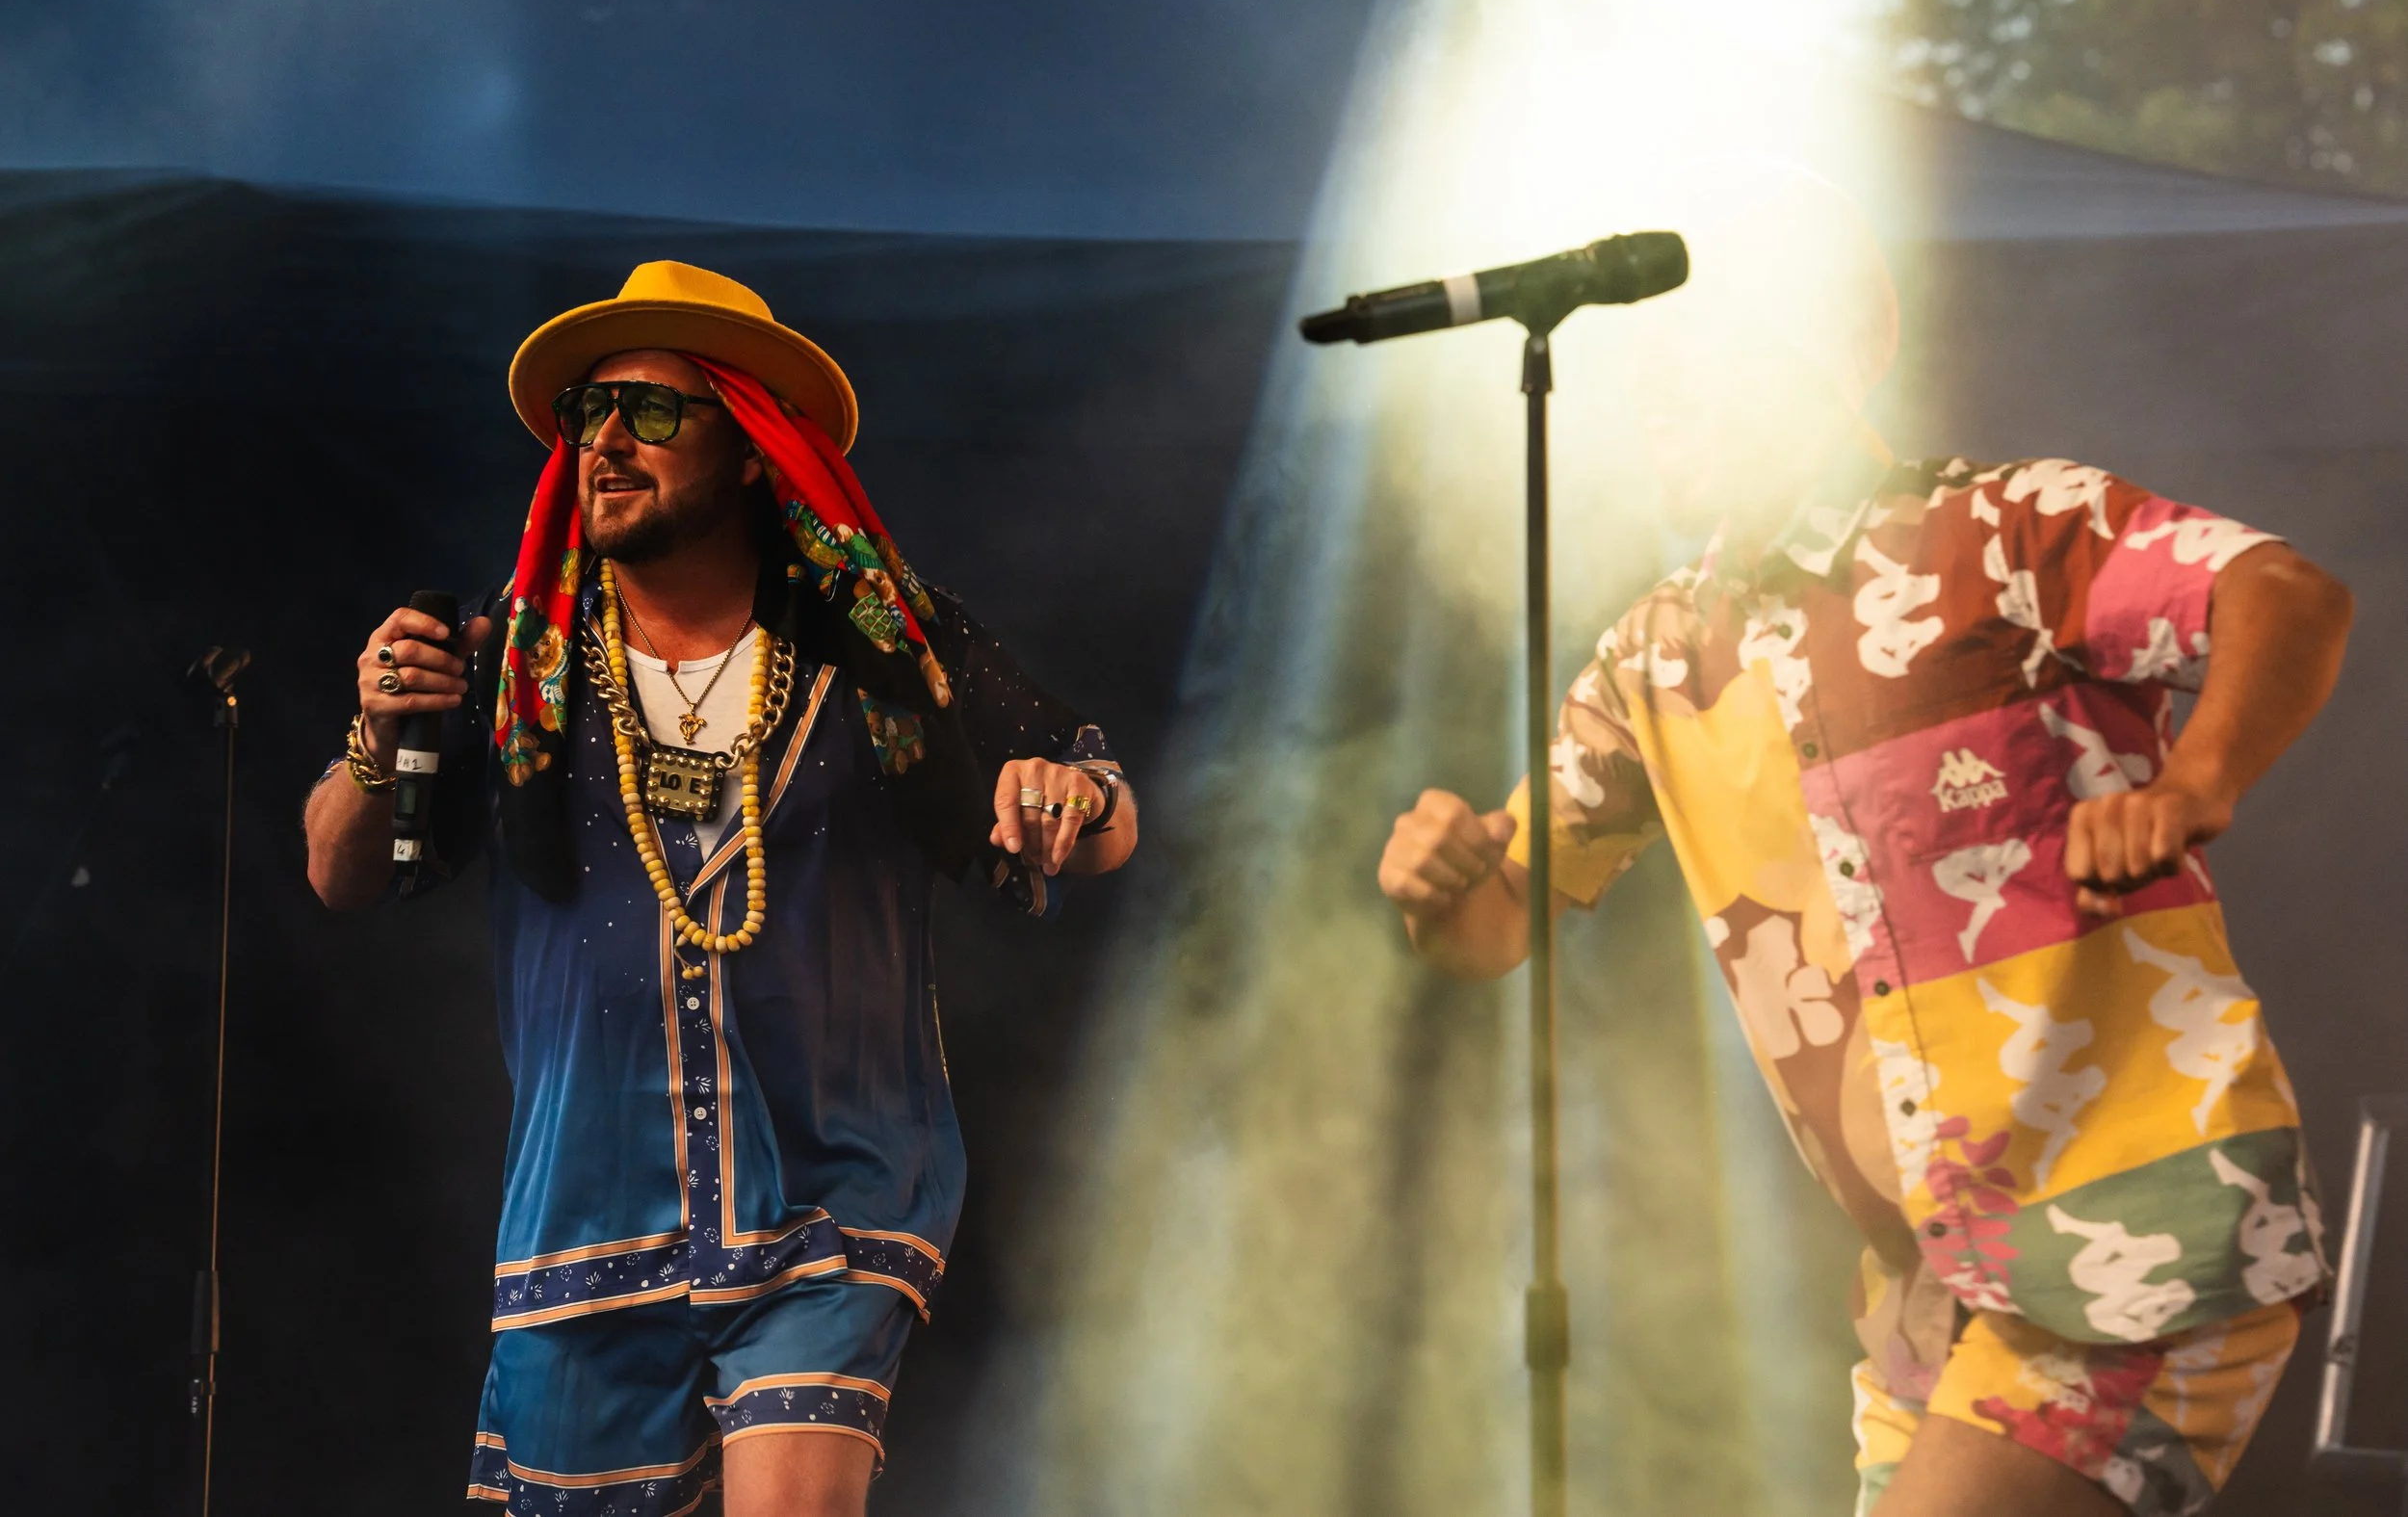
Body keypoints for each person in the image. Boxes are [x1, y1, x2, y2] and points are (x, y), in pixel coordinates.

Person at [1376, 167, 2352, 1517]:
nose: (1663, 395)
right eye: (1647, 371)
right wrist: (1433, 880)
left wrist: (2192, 783)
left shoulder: (2001, 529)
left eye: (1703, 355)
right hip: (1930, 1305)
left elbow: (2283, 591)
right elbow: (1492, 926)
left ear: (1837, 349)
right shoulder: (1655, 657)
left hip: (2136, 1232)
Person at [304, 261, 1137, 1517]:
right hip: (586, 1222)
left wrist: (1071, 798)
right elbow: (338, 870)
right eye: (590, 412)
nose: (604, 442)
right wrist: (375, 739)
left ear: (751, 446)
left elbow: (1096, 789)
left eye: (650, 412)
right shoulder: (516, 662)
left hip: (833, 1204)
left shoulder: (881, 647)